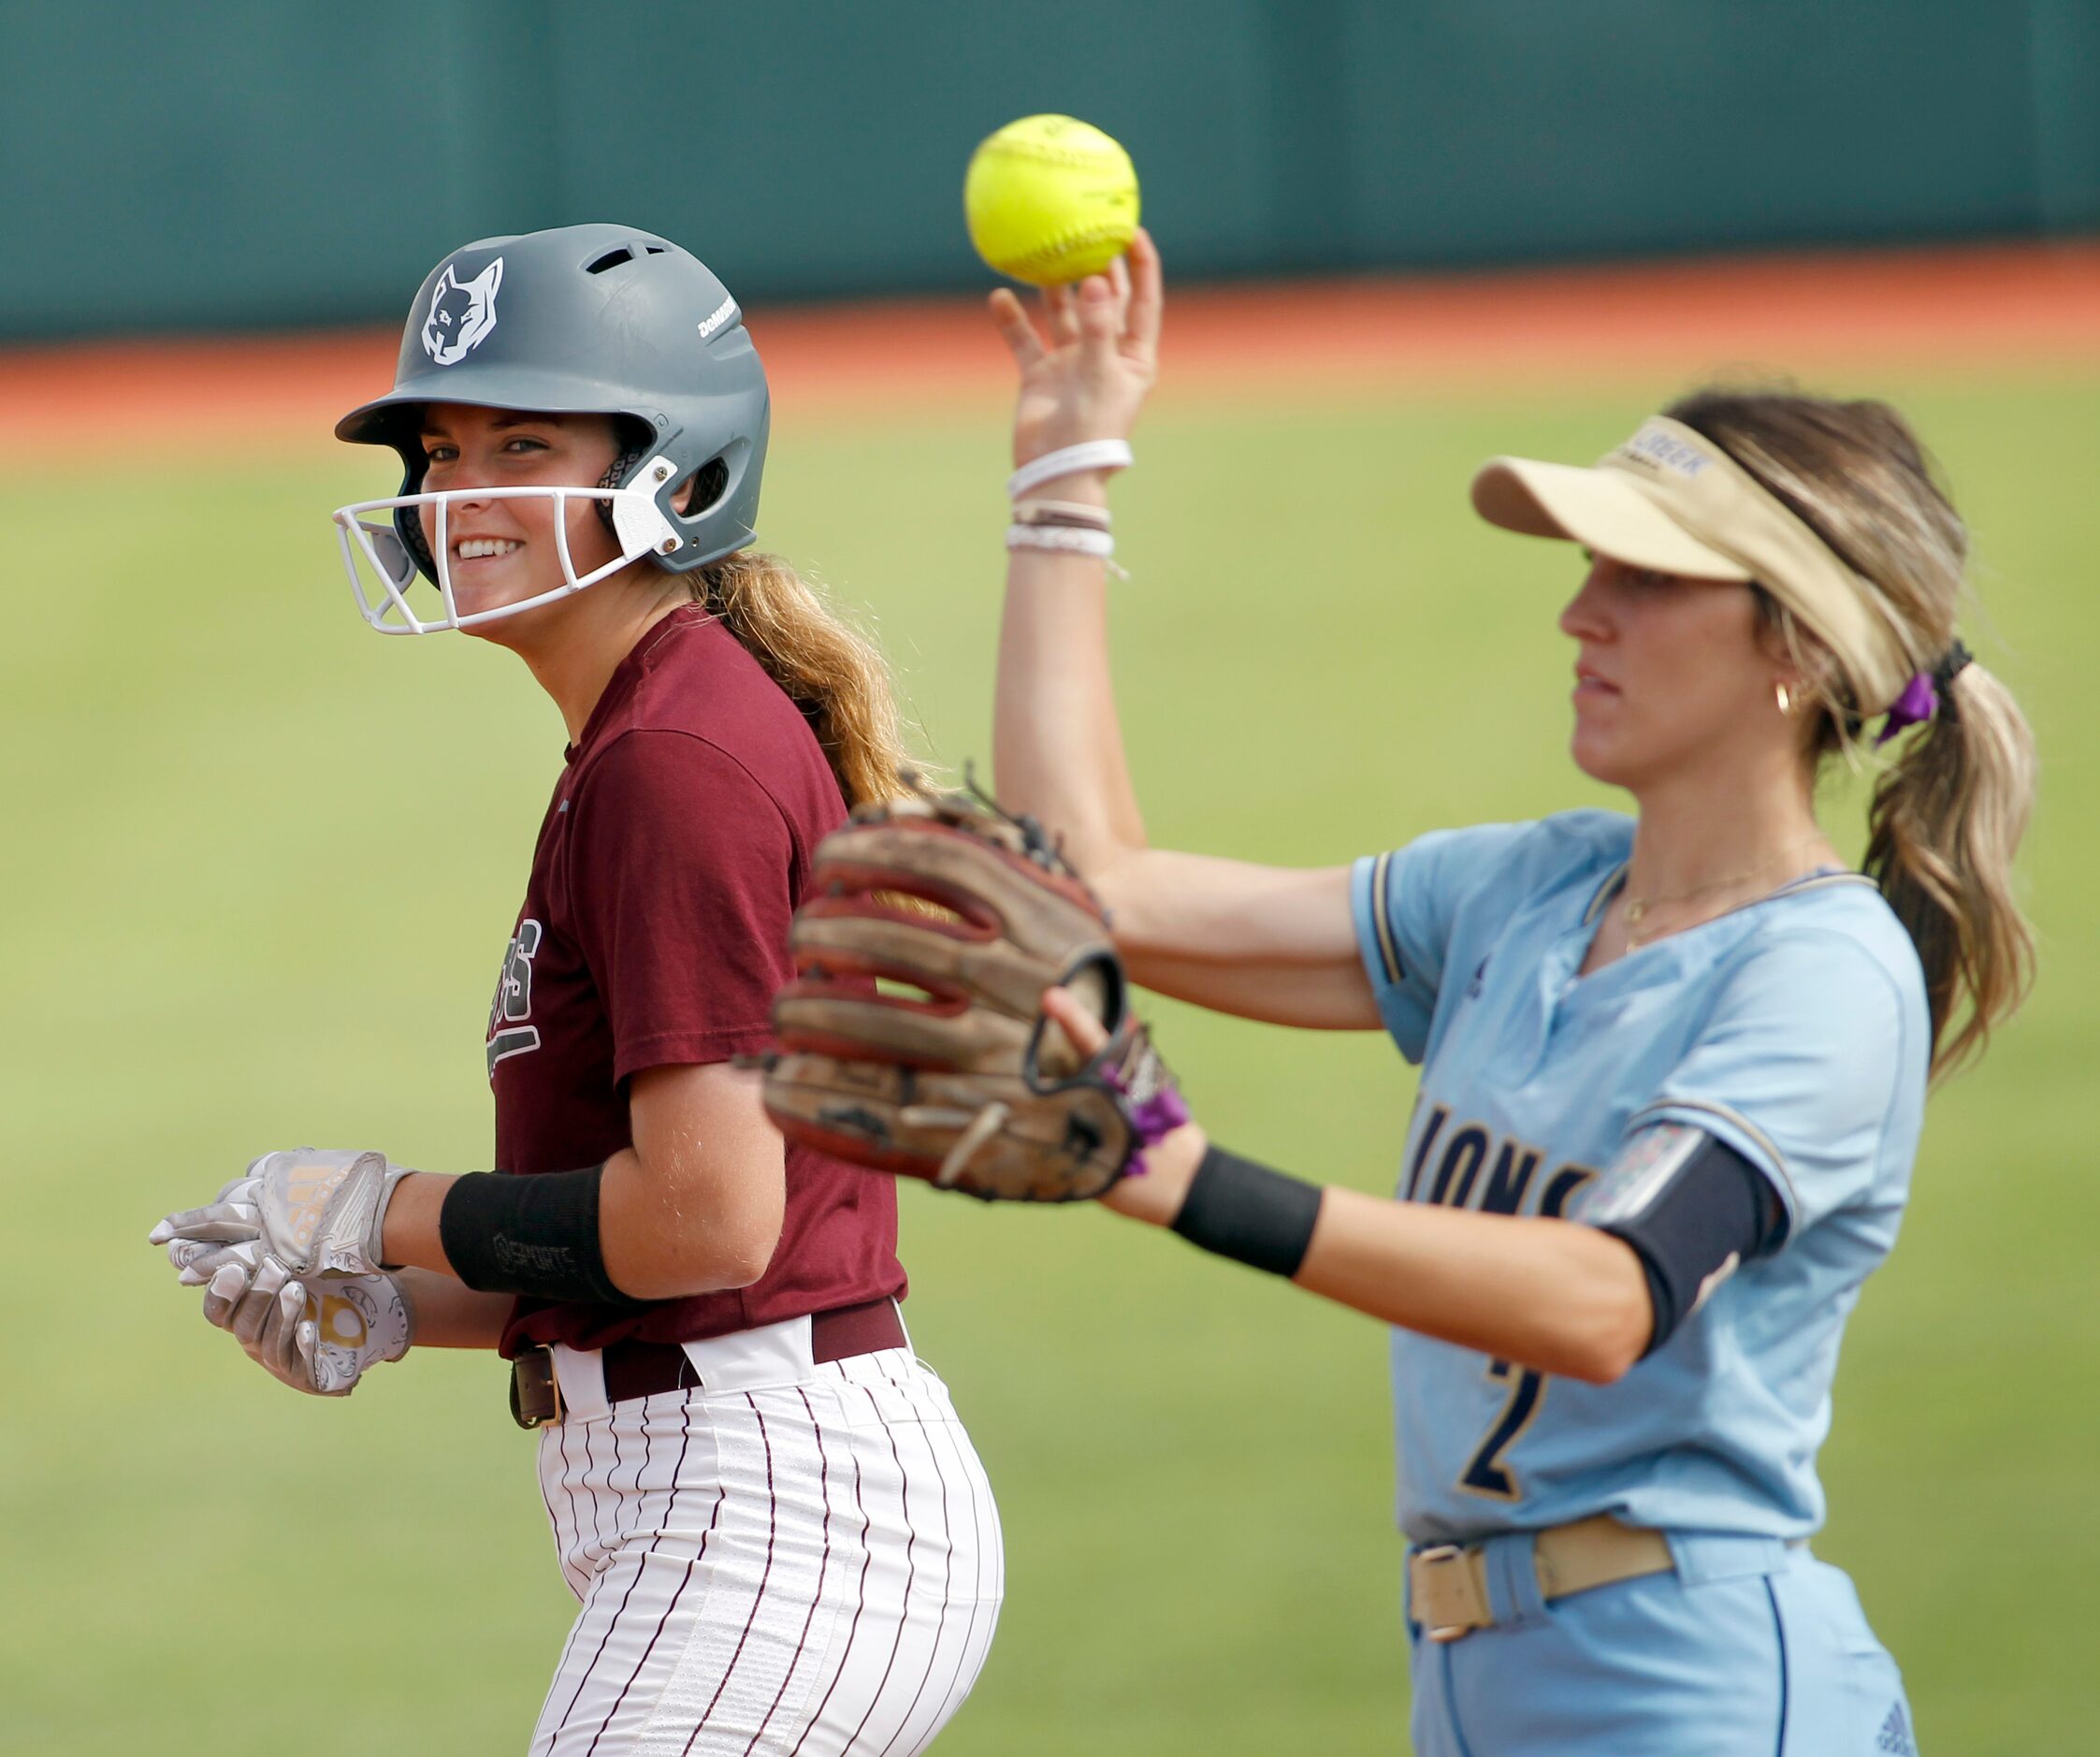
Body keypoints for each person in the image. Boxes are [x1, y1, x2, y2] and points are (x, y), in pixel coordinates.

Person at [970, 229, 2034, 1753]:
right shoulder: (1527, 891)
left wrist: (1191, 1182)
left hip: (1692, 1686)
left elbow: (1606, 1298)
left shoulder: (1824, 973)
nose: (1578, 611)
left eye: (1645, 575)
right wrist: (1065, 476)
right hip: (1475, 1684)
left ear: (1796, 642)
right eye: (1589, 562)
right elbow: (1093, 886)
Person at [150, 224, 1002, 1756]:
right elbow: (668, 1249)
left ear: (675, 470)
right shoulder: (644, 733)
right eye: (442, 449)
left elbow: (712, 1222)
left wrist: (382, 1203)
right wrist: (399, 1306)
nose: (456, 493)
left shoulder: (672, 758)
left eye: (520, 441)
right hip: (742, 1483)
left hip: (772, 1510)